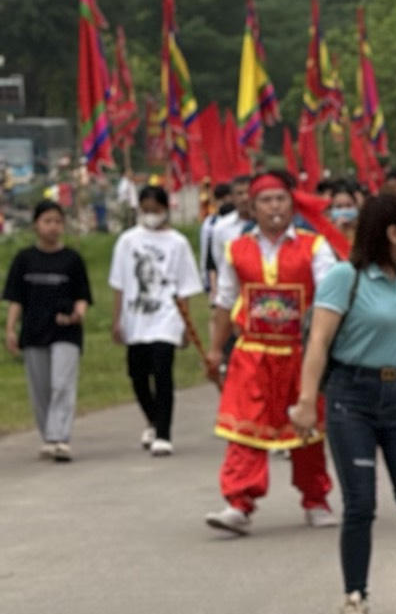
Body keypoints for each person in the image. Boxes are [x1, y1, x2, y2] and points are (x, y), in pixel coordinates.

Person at [290, 191, 396, 614]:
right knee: (360, 504)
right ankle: (355, 599)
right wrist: (307, 401)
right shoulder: (345, 278)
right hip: (352, 398)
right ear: (393, 233)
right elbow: (319, 342)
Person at [205, 171, 337, 535]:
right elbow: (225, 301)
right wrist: (215, 349)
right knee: (244, 428)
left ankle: (315, 499)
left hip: (300, 354)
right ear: (252, 207)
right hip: (253, 353)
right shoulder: (236, 249)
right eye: (266, 200)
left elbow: (329, 298)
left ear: (292, 204)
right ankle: (238, 503)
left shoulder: (315, 246)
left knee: (306, 429)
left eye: (280, 199)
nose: (274, 207)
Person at [108, 183, 207, 454]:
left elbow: (184, 287)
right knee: (138, 375)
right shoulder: (127, 241)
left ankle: (164, 433)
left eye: (155, 210)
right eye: (146, 210)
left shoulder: (178, 243)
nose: (151, 215)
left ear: (165, 209)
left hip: (166, 316)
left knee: (163, 372)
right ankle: (152, 418)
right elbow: (119, 284)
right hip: (136, 317)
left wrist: (186, 325)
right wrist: (117, 320)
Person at [4, 199, 92, 460]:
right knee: (40, 388)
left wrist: (77, 315)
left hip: (66, 331)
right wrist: (10, 329)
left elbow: (82, 296)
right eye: (47, 221)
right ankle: (48, 436)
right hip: (34, 331)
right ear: (36, 225)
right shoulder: (24, 259)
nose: (53, 227)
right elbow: (16, 299)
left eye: (57, 221)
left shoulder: (72, 259)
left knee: (62, 384)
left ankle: (60, 437)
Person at [199, 177, 251, 294]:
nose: (245, 198)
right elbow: (218, 262)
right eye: (240, 193)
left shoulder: (267, 225)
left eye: (248, 192)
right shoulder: (221, 227)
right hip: (232, 292)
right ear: (232, 197)